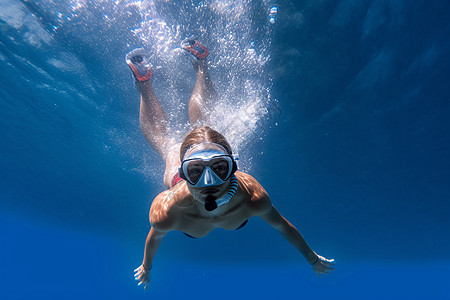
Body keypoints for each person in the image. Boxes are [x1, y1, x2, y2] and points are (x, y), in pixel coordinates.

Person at [126, 38, 335, 289]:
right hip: (184, 185)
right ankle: (159, 79)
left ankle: (187, 69)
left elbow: (284, 226)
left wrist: (312, 259)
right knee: (175, 142)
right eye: (195, 171)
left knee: (188, 136)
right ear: (185, 171)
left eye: (218, 168)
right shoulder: (168, 210)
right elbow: (154, 237)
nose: (208, 183)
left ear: (232, 168)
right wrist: (146, 267)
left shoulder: (253, 197)